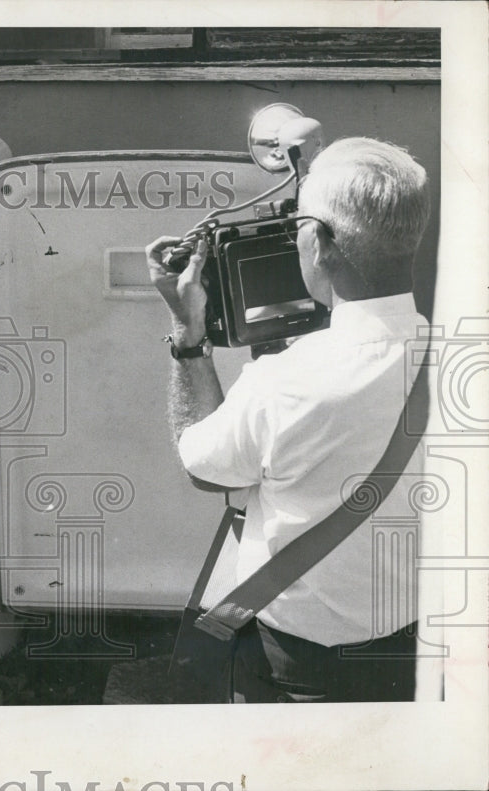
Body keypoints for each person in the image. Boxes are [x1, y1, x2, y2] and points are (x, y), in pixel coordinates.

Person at [147, 137, 432, 703]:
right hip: (421, 653)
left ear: (317, 240)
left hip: (300, 669)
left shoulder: (284, 381)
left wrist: (188, 334)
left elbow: (206, 469)